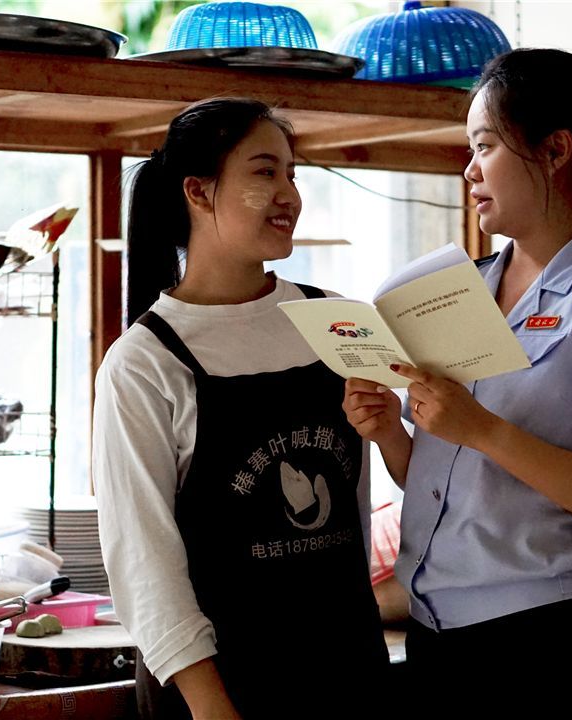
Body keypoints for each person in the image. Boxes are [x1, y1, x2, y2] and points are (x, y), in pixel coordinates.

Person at [343, 48, 572, 715]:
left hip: (552, 644)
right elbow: (463, 484)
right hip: (440, 636)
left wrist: (481, 428)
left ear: (556, 151)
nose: (469, 170)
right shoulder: (457, 292)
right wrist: (390, 436)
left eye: (485, 146)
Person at [92, 97, 388, 720]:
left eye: (292, 174)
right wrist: (211, 708)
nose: (289, 195)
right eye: (264, 172)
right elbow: (144, 562)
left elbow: (383, 491)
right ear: (198, 192)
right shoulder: (144, 361)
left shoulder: (337, 318)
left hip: (346, 667)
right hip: (220, 689)